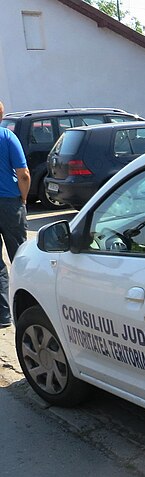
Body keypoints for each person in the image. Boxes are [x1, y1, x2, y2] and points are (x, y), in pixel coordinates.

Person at [0, 101, 30, 328]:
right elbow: (24, 174)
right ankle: (27, 311)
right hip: (10, 203)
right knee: (20, 258)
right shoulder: (8, 138)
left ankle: (3, 316)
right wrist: (24, 198)